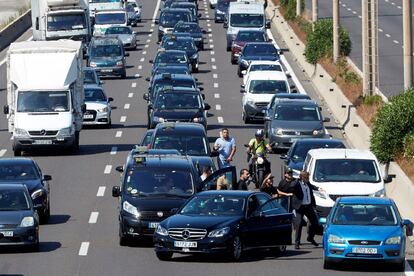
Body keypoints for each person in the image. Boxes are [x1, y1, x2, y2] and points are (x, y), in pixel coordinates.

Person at [291, 171, 324, 249]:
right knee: (299, 224)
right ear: (302, 177)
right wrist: (295, 180)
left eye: (308, 178)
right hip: (300, 207)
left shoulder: (307, 184)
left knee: (315, 223)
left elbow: (312, 186)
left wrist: (319, 188)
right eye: (306, 178)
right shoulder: (297, 184)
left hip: (308, 206)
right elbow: (290, 186)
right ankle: (297, 242)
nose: (308, 179)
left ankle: (310, 238)